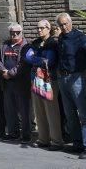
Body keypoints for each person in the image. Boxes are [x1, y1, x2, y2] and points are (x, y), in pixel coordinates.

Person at [56, 12, 86, 159]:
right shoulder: (61, 37)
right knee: (70, 114)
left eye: (65, 24)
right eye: (61, 25)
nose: (63, 27)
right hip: (63, 78)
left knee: (84, 113)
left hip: (77, 78)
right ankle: (77, 143)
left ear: (71, 22)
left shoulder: (79, 35)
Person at [25, 20, 63, 150]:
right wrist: (39, 60)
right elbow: (27, 57)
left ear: (48, 28)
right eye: (38, 28)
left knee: (51, 112)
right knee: (39, 111)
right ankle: (43, 139)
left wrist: (35, 58)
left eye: (42, 28)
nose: (39, 30)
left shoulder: (53, 43)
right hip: (35, 78)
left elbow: (50, 61)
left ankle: (56, 141)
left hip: (49, 80)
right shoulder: (35, 42)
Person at [0, 23, 31, 143]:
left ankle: (26, 135)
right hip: (7, 83)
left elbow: (23, 63)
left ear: (21, 32)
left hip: (21, 82)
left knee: (24, 110)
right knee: (9, 109)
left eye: (17, 32)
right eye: (12, 33)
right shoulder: (5, 45)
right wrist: (3, 71)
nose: (14, 35)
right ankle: (13, 133)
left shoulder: (26, 46)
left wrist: (10, 73)